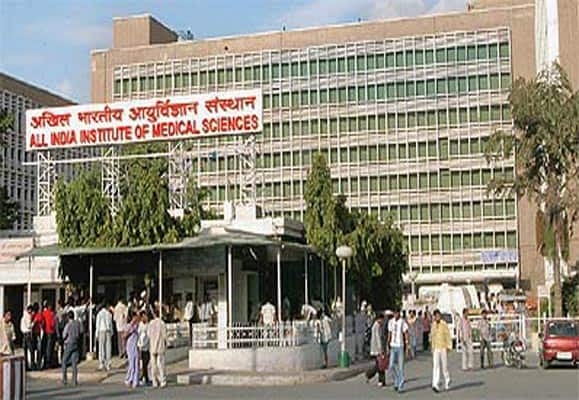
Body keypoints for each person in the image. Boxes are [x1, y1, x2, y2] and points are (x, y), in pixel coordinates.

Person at [387, 309, 410, 393]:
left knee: (401, 366)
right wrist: (388, 343)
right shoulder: (390, 322)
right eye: (395, 313)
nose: (396, 315)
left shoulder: (402, 322)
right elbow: (389, 333)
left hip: (400, 346)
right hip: (393, 345)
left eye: (397, 313)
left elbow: (406, 333)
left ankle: (400, 385)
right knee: (391, 365)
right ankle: (396, 380)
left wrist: (407, 345)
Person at [430, 309, 452, 393]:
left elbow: (448, 335)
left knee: (444, 366)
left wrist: (449, 346)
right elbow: (432, 336)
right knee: (436, 366)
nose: (437, 317)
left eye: (438, 315)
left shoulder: (444, 324)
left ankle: (447, 379)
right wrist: (432, 347)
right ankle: (435, 384)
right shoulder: (433, 325)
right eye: (436, 316)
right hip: (436, 347)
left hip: (443, 347)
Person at [147, 309, 167, 388]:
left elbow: (148, 335)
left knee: (153, 365)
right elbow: (164, 335)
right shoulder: (162, 323)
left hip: (152, 346)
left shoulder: (151, 323)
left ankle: (154, 381)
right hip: (160, 346)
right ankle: (162, 380)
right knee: (160, 364)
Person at [61, 311, 82, 386]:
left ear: (68, 317)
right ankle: (74, 380)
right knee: (74, 363)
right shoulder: (78, 323)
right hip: (76, 342)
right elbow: (81, 331)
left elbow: (64, 335)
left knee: (64, 361)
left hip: (69, 343)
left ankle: (64, 379)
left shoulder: (68, 325)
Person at [366, 314, 386, 387]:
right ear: (379, 319)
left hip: (376, 349)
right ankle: (370, 375)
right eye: (382, 319)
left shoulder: (376, 325)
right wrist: (380, 349)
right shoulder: (377, 326)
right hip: (377, 349)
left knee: (380, 365)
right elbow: (378, 338)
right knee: (380, 365)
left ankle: (382, 381)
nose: (383, 321)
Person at [124, 312, 141, 388]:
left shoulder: (137, 326)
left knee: (136, 363)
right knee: (131, 364)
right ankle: (128, 379)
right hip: (130, 346)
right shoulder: (128, 326)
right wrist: (130, 330)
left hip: (136, 346)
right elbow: (124, 335)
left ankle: (135, 381)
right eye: (134, 317)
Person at [95, 302, 113, 371]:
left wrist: (96, 334)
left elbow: (98, 324)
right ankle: (108, 363)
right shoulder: (109, 314)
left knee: (101, 347)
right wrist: (111, 332)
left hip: (101, 330)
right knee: (108, 347)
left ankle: (101, 363)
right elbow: (110, 324)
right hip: (108, 331)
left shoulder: (99, 314)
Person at [42, 302, 57, 369]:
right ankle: (49, 362)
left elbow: (42, 322)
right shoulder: (52, 314)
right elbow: (53, 324)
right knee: (50, 348)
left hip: (45, 332)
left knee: (45, 347)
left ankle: (46, 362)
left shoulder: (43, 313)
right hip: (51, 332)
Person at [138, 311, 151, 385]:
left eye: (146, 316)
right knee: (144, 362)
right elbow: (139, 335)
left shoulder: (149, 325)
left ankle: (144, 376)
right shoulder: (140, 325)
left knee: (146, 361)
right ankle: (144, 376)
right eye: (143, 316)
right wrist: (139, 345)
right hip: (142, 346)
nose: (145, 318)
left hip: (148, 346)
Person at [20, 305, 34, 369]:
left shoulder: (23, 317)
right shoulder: (28, 316)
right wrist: (33, 322)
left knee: (25, 350)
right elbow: (29, 326)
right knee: (31, 350)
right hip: (27, 334)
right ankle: (32, 364)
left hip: (24, 334)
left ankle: (26, 365)